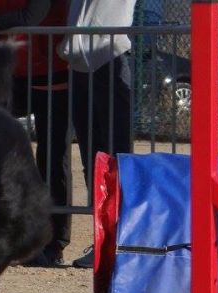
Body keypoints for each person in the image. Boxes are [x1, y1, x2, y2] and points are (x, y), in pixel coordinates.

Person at [0, 0, 71, 266]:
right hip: (11, 68)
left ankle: (53, 242)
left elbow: (33, 14)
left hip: (53, 67)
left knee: (53, 154)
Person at [59, 0, 137, 267]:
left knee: (117, 158)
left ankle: (119, 241)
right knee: (92, 161)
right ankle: (103, 240)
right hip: (81, 65)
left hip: (110, 59)